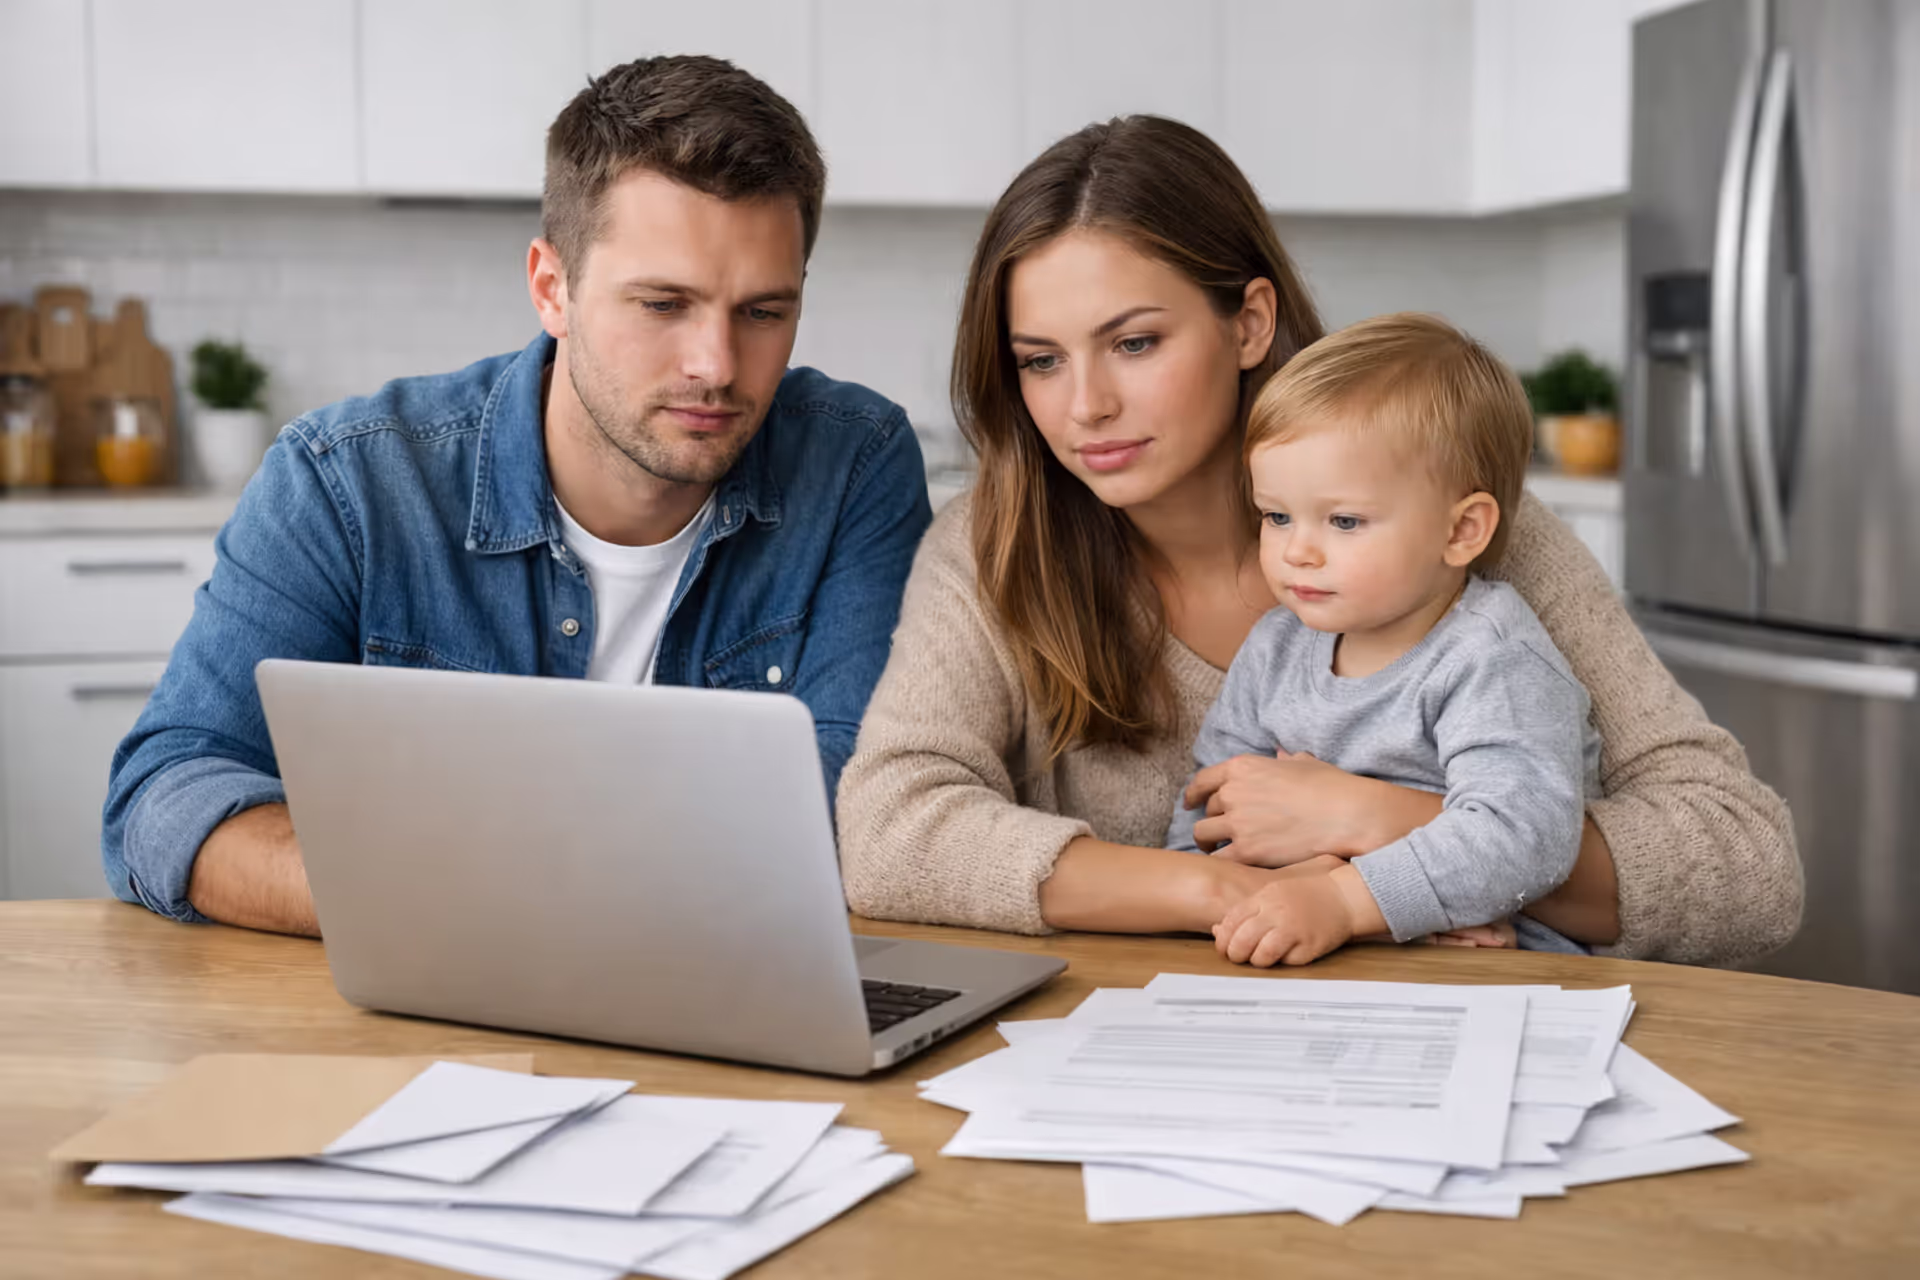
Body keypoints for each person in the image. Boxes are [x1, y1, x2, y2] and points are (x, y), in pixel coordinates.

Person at [837, 115, 1802, 966]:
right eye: (1042, 361)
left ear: (1249, 323)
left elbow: (1749, 867)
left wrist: (1379, 827)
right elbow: (889, 834)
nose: (1085, 405)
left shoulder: (1450, 525)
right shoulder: (994, 546)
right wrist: (1217, 892)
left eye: (1135, 343)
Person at [103, 56, 931, 936]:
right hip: (428, 1009)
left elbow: (860, 798)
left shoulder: (854, 463)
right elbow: (169, 795)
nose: (716, 367)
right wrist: (475, 905)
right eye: (662, 304)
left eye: (763, 313)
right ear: (551, 289)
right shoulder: (349, 480)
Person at [1167, 313, 1601, 967]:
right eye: (1277, 516)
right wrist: (1251, 893)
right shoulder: (1276, 645)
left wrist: (1343, 900)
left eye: (1344, 520)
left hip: (1485, 964)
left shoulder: (1492, 659)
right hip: (1300, 938)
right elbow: (1202, 813)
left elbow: (1524, 841)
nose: (1297, 552)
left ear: (1462, 532)